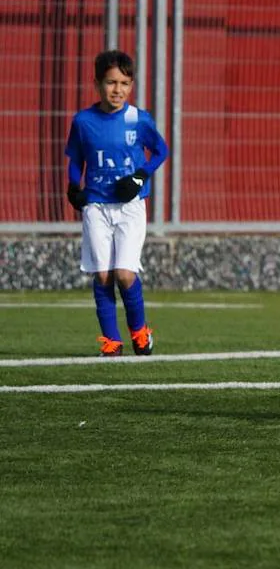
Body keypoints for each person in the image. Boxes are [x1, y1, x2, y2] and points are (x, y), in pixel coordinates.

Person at [64, 49, 170, 357]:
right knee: (103, 274)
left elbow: (161, 151)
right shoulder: (83, 121)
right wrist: (74, 187)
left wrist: (139, 177)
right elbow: (76, 159)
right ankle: (111, 341)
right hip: (96, 205)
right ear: (97, 83)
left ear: (131, 84)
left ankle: (139, 332)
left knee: (125, 274)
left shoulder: (139, 119)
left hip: (130, 206)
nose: (118, 90)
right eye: (111, 82)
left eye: (124, 83)